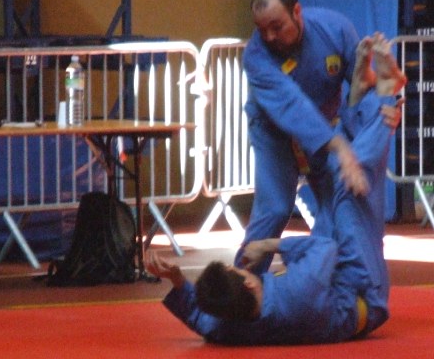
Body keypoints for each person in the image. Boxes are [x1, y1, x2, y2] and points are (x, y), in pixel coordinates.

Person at [145, 35, 404, 345]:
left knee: (334, 184)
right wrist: (268, 246)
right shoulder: (299, 289)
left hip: (332, 286)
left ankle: (360, 97)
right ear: (251, 285)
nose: (243, 269)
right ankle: (386, 99)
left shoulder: (231, 322)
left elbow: (202, 319)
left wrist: (177, 280)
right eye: (241, 273)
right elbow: (325, 248)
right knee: (349, 190)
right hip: (364, 291)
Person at [237, 0, 382, 274]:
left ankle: (325, 278)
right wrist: (339, 146)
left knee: (338, 197)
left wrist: (382, 105)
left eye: (277, 26)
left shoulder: (335, 29)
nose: (269, 36)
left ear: (297, 12)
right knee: (276, 207)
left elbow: (361, 87)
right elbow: (292, 107)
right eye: (262, 29)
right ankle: (238, 287)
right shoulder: (256, 56)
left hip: (325, 123)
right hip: (273, 129)